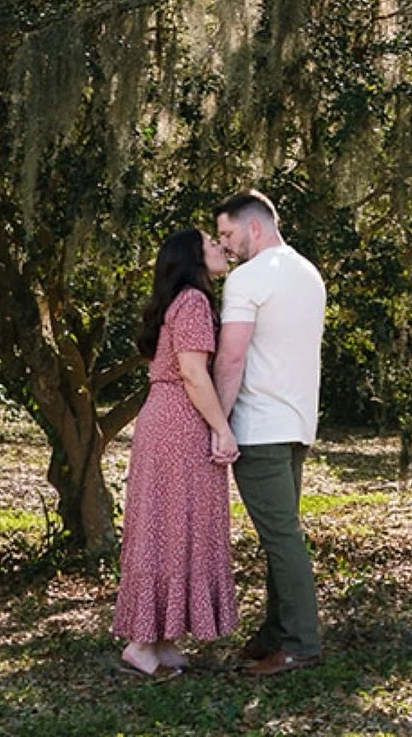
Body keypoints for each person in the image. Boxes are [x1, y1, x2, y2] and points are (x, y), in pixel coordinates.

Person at [111, 228, 240, 679]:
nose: (221, 248)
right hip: (179, 423)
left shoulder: (181, 301)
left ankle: (160, 637)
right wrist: (222, 430)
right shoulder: (194, 302)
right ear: (193, 258)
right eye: (211, 243)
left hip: (165, 418)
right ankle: (141, 645)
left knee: (172, 523)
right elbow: (191, 372)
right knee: (172, 522)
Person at [213, 189, 327, 675]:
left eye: (228, 233)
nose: (225, 244)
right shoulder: (307, 272)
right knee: (282, 534)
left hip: (260, 426)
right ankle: (276, 632)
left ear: (254, 227)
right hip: (298, 423)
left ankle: (300, 643)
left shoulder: (248, 279)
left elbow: (232, 357)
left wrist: (217, 423)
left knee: (281, 537)